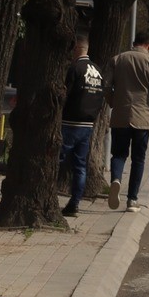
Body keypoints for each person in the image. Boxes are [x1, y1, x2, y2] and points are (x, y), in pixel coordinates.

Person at [107, 32, 149, 210]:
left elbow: (106, 85)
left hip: (120, 116)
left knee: (118, 154)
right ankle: (132, 200)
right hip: (142, 117)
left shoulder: (117, 60)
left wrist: (113, 101)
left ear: (133, 43)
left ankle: (116, 179)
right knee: (138, 159)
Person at [60, 37, 106, 218]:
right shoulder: (98, 71)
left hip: (70, 122)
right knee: (80, 166)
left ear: (77, 49)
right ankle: (75, 203)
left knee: (57, 158)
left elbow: (65, 93)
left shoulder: (75, 69)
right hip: (88, 124)